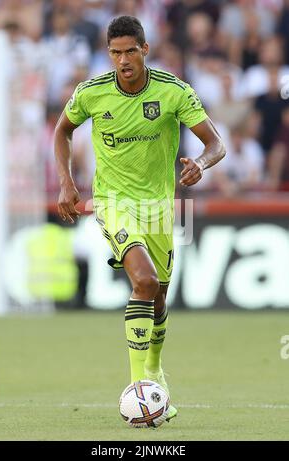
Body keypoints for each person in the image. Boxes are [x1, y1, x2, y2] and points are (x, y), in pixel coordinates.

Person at [54, 15, 226, 422]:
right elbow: (62, 131)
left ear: (144, 49)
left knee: (160, 296)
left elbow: (215, 143)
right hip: (113, 202)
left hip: (160, 208)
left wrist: (201, 163)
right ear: (107, 53)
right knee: (144, 282)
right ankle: (139, 390)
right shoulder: (92, 93)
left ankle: (153, 371)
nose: (123, 60)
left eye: (130, 50)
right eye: (115, 52)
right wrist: (66, 183)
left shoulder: (173, 91)